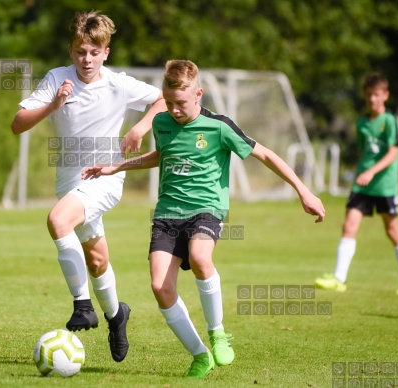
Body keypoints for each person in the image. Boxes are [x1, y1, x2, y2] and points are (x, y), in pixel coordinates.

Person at [82, 60, 325, 378]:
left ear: (199, 94)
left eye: (180, 103)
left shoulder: (220, 127)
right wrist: (117, 166)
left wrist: (303, 191)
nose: (173, 109)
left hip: (206, 210)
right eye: (168, 102)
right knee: (159, 286)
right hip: (167, 214)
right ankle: (199, 355)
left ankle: (218, 333)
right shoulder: (163, 123)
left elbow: (265, 154)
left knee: (199, 256)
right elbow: (163, 155)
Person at [10, 10, 166, 362]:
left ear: (105, 52)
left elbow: (164, 99)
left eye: (95, 52)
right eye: (81, 51)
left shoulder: (119, 83)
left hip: (105, 178)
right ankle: (116, 315)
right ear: (71, 50)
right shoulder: (57, 79)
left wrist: (140, 128)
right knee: (97, 260)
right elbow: (18, 124)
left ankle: (82, 305)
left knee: (57, 221)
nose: (87, 59)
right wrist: (53, 104)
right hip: (69, 181)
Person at [315, 72, 398, 295]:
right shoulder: (361, 122)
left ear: (386, 95)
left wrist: (371, 171)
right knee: (348, 226)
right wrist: (361, 172)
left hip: (385, 185)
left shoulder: (391, 121)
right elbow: (364, 152)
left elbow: (393, 153)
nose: (372, 99)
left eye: (377, 95)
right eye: (369, 95)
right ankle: (339, 279)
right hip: (362, 184)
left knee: (392, 230)